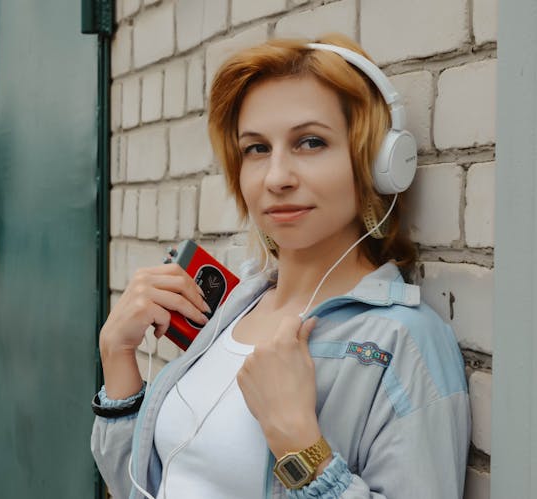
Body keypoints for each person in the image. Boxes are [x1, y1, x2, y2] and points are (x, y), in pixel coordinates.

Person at [91, 34, 470, 499]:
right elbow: (138, 485)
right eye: (256, 149)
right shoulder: (234, 307)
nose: (276, 178)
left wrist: (301, 447)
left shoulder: (401, 345)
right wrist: (118, 359)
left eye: (310, 142)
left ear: (375, 162)